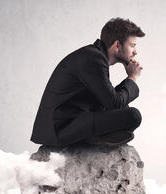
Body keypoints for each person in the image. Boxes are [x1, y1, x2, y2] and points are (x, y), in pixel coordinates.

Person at [30, 18, 145, 147]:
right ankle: (94, 139)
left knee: (124, 108)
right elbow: (114, 102)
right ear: (117, 45)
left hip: (73, 120)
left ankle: (98, 137)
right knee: (133, 116)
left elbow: (110, 99)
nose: (135, 51)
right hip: (62, 128)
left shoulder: (94, 56)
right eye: (132, 45)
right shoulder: (93, 59)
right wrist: (132, 78)